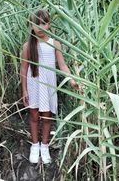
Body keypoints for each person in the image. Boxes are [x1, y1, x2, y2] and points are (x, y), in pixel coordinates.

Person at [20, 9, 81, 164]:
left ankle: (45, 146)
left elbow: (62, 65)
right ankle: (35, 146)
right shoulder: (28, 46)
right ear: (31, 25)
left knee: (47, 117)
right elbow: (24, 68)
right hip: (34, 84)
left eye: (43, 23)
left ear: (49, 25)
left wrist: (71, 79)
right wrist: (24, 90)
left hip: (49, 86)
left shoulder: (55, 43)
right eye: (36, 24)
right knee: (34, 116)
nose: (40, 27)